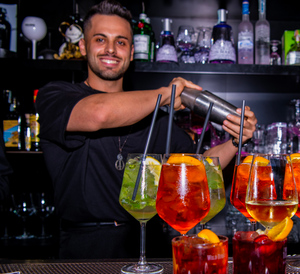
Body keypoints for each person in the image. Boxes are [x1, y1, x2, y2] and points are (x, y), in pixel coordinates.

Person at [36, 0, 257, 259]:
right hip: (82, 248)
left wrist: (235, 139)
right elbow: (99, 113)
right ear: (83, 46)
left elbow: (201, 168)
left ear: (131, 52)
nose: (110, 49)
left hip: (146, 246)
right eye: (100, 39)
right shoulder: (56, 95)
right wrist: (166, 95)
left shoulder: (156, 117)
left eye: (121, 42)